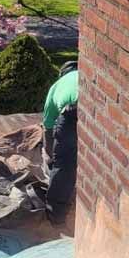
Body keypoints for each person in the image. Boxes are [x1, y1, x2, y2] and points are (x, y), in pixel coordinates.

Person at [43, 61, 79, 223]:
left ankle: (55, 217)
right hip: (95, 106)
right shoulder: (87, 74)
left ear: (62, 74)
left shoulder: (56, 87)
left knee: (64, 165)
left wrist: (51, 157)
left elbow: (48, 129)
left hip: (71, 112)